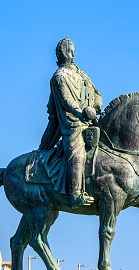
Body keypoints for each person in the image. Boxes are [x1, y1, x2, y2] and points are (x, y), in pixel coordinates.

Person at [38, 38, 103, 208]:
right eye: (69, 51)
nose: (73, 54)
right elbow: (67, 101)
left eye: (73, 51)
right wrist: (80, 113)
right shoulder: (59, 77)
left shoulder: (82, 74)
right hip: (73, 124)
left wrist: (97, 103)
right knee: (77, 153)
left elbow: (96, 94)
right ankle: (75, 195)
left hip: (90, 121)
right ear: (61, 54)